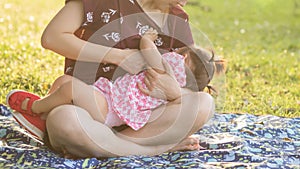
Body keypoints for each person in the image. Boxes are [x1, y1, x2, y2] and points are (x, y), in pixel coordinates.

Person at [8, 0, 217, 158]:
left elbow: (192, 80)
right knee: (64, 121)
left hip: (141, 123)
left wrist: (175, 92)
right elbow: (52, 37)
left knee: (204, 103)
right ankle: (156, 149)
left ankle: (118, 146)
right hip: (90, 109)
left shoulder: (177, 18)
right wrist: (118, 57)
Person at [7, 28, 225, 131]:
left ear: (183, 58)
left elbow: (148, 51)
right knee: (64, 82)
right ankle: (45, 118)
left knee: (69, 88)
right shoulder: (178, 86)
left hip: (110, 107)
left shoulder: (170, 68)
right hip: (111, 102)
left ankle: (34, 108)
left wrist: (147, 39)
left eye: (179, 50)